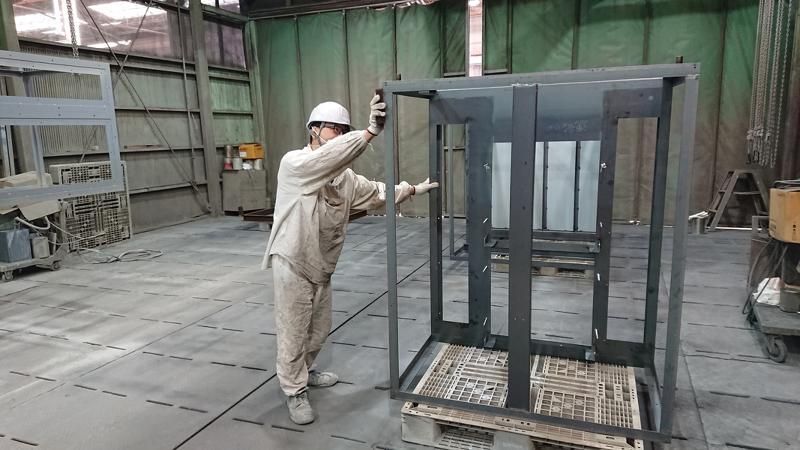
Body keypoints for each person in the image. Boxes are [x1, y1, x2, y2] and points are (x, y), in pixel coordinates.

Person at [261, 95, 438, 425]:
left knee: (318, 331)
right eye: (334, 128)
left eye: (344, 130)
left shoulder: (345, 179)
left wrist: (412, 189)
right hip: (293, 262)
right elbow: (329, 158)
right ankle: (294, 390)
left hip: (321, 265)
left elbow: (377, 192)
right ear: (313, 130)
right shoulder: (295, 164)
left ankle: (305, 371)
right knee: (293, 331)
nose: (339, 135)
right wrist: (369, 133)